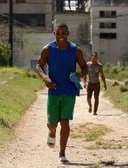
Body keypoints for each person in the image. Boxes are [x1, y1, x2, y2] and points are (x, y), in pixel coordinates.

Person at [36, 23, 87, 164]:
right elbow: (39, 65)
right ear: (54, 34)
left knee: (65, 122)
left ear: (68, 33)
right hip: (54, 90)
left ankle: (62, 153)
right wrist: (45, 78)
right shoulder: (48, 50)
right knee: (52, 124)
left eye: (63, 33)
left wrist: (79, 75)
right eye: (58, 34)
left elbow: (84, 67)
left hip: (69, 91)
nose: (61, 36)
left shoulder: (76, 50)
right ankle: (51, 132)